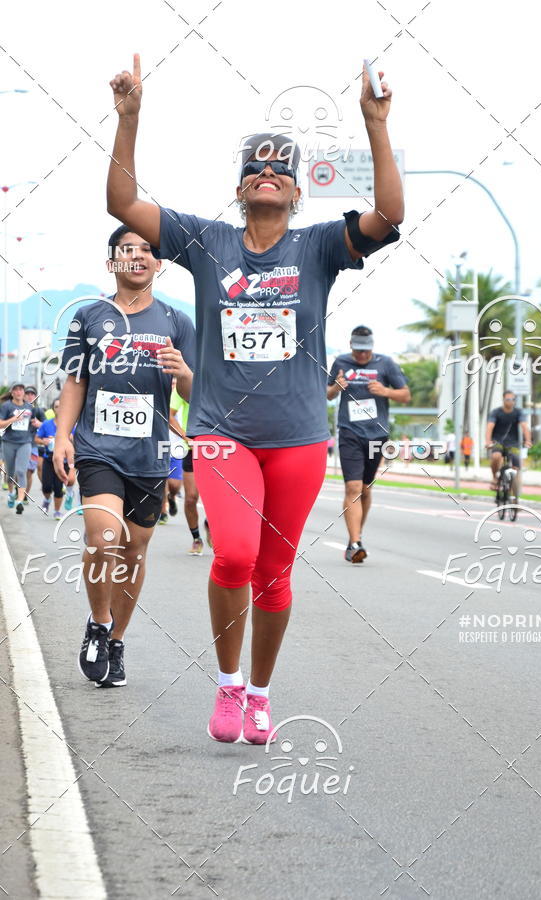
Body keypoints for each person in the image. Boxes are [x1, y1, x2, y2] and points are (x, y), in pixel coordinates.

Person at [106, 54, 404, 742]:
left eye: (280, 167)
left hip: (298, 437)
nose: (266, 172)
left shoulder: (321, 246)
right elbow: (123, 206)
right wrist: (129, 118)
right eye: (254, 166)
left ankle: (262, 693)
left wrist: (374, 123)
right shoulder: (204, 242)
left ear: (296, 191)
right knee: (234, 556)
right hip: (220, 432)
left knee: (274, 574)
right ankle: (228, 683)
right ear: (239, 188)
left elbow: (388, 214)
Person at [53, 225, 195, 688]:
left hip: (150, 455)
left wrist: (184, 371)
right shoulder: (89, 318)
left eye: (146, 250)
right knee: (103, 532)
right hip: (98, 450)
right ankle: (97, 622)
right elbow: (75, 382)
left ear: (159, 263)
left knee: (134, 550)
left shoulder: (177, 322)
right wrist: (62, 436)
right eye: (125, 249)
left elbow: (197, 391)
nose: (137, 256)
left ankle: (116, 640)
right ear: (112, 261)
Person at [327, 326, 409, 562]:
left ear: (372, 347)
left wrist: (385, 391)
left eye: (366, 351)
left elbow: (405, 395)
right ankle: (355, 544)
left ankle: (356, 534)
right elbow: (328, 393)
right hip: (350, 431)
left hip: (377, 434)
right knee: (352, 487)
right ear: (351, 345)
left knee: (365, 489)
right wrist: (336, 387)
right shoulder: (341, 362)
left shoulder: (386, 364)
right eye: (358, 350)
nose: (362, 355)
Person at [170, 385, 206, 555]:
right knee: (191, 498)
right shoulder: (184, 385)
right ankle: (196, 538)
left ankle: (210, 525)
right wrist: (186, 436)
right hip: (192, 450)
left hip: (219, 448)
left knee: (217, 497)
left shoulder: (218, 381)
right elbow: (169, 415)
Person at [0, 382, 42, 514]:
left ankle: (19, 501)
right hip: (9, 442)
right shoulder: (6, 406)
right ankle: (11, 494)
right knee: (10, 472)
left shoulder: (30, 407)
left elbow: (36, 422)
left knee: (21, 471)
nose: (19, 392)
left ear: (23, 393)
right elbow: (1, 424)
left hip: (25, 443)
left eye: (21, 390)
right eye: (16, 390)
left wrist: (37, 424)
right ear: (12, 392)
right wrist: (13, 419)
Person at [485, 390, 532, 493]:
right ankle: (494, 478)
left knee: (516, 462)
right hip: (498, 442)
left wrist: (528, 440)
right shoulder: (496, 412)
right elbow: (490, 426)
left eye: (513, 399)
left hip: (513, 444)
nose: (511, 401)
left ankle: (515, 494)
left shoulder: (518, 412)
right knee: (496, 457)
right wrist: (488, 441)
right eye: (508, 399)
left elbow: (524, 426)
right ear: (503, 400)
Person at [36, 399, 71, 518]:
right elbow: (36, 439)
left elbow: (76, 441)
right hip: (49, 459)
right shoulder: (46, 424)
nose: (59, 409)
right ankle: (47, 500)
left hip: (63, 460)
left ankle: (57, 511)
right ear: (53, 409)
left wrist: (70, 438)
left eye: (61, 406)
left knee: (58, 487)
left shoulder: (70, 424)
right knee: (46, 486)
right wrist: (44, 441)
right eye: (56, 406)